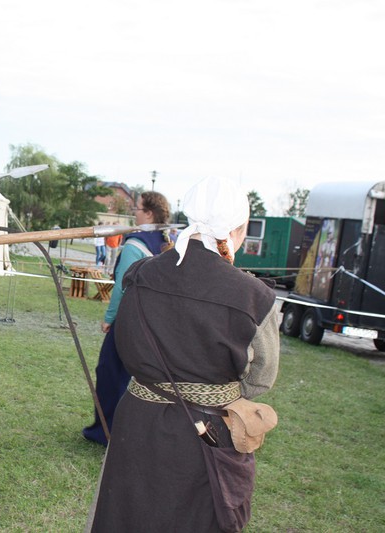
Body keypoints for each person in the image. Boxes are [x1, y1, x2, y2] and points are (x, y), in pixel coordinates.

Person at [87, 177, 280, 531]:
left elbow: (124, 344)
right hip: (205, 432)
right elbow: (260, 379)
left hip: (138, 420)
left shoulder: (139, 274)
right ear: (238, 230)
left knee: (126, 516)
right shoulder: (254, 296)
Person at [82, 191, 171, 446]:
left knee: (111, 375)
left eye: (139, 209)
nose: (135, 212)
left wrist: (110, 318)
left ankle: (106, 432)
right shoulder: (164, 243)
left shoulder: (136, 245)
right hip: (152, 323)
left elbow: (122, 286)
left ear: (150, 214)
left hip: (129, 322)